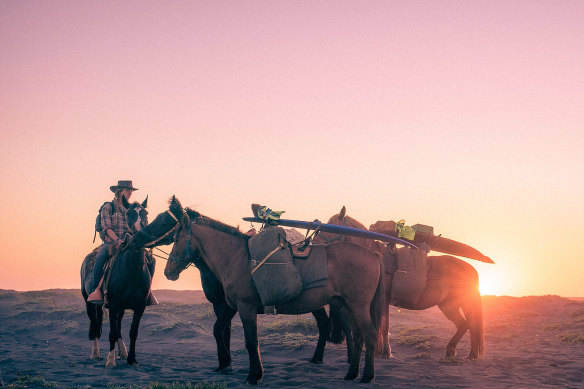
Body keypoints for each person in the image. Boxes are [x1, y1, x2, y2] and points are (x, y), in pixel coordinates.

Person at [87, 180, 157, 305]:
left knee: (151, 260)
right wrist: (117, 240)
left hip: (130, 242)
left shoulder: (132, 209)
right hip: (112, 242)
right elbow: (106, 227)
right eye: (127, 190)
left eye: (131, 190)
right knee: (101, 256)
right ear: (119, 191)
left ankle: (147, 291)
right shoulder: (108, 207)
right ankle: (96, 290)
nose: (130, 192)